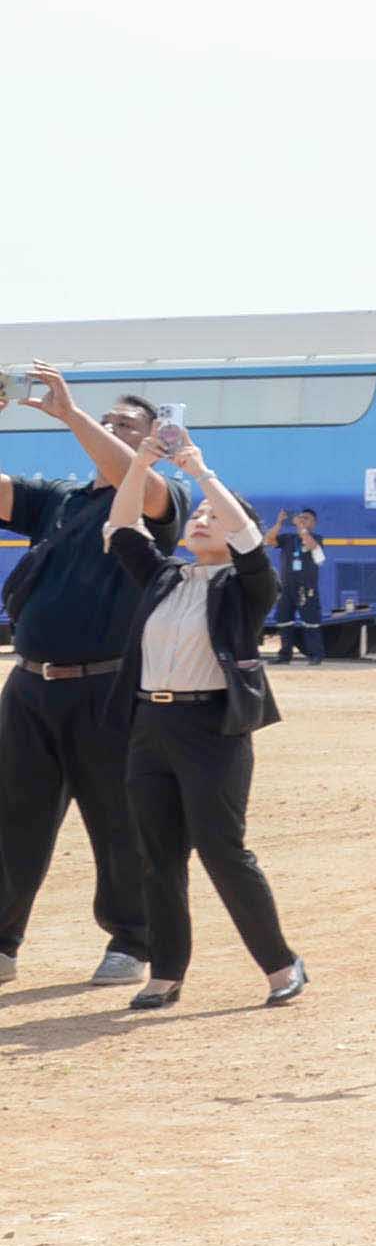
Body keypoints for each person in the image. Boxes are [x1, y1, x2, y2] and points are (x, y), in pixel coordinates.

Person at [112, 422, 304, 1011]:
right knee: (158, 858)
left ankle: (280, 964)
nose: (200, 519)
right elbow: (121, 527)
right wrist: (140, 464)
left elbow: (248, 539)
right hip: (150, 728)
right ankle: (166, 974)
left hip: (212, 731)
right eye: (196, 514)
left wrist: (199, 472)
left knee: (223, 852)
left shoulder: (250, 586)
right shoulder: (164, 576)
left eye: (211, 517)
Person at [0, 367, 173, 989]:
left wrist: (70, 415)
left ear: (154, 441)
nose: (110, 427)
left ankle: (132, 941)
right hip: (30, 683)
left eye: (126, 424)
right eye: (106, 420)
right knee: (11, 816)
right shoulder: (62, 498)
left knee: (118, 818)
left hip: (108, 686)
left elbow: (141, 483)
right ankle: (2, 945)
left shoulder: (162, 499)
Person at [267, 510, 325, 663]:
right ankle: (284, 656)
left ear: (314, 523)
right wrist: (279, 523)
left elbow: (311, 546)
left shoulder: (316, 538)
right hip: (287, 587)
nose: (303, 520)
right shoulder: (288, 539)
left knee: (310, 622)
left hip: (306, 588)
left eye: (307, 518)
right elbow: (269, 540)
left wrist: (301, 528)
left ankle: (315, 655)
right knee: (284, 620)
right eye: (301, 518)